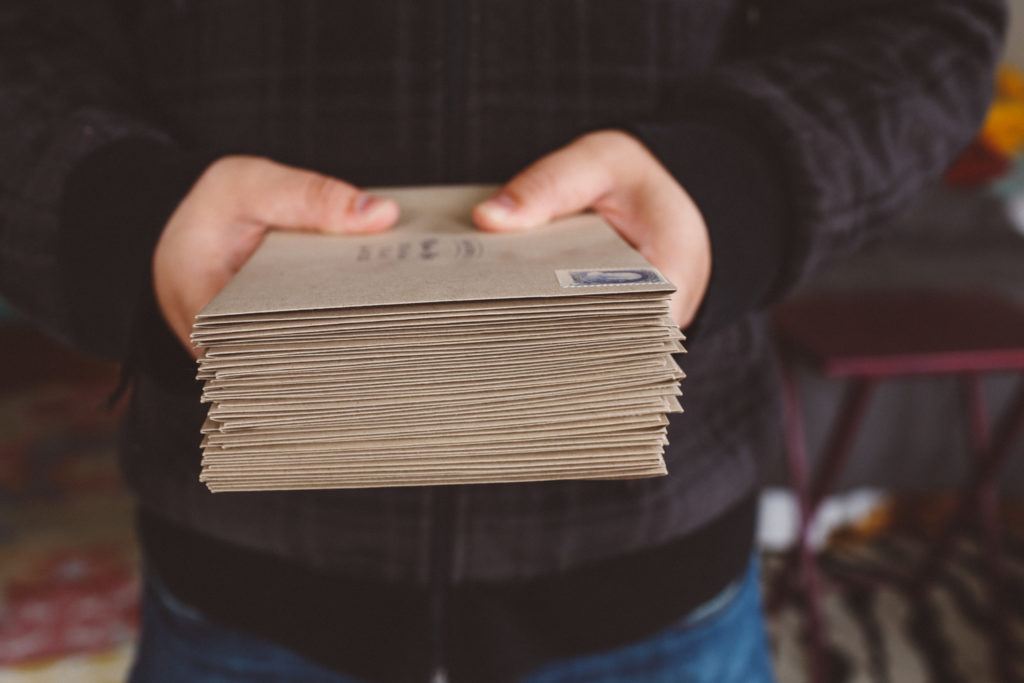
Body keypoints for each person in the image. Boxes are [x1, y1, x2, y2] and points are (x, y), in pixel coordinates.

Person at [0, 2, 1004, 682]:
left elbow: (918, 25)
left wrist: (731, 184)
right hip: (237, 591)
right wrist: (126, 219)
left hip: (659, 598)